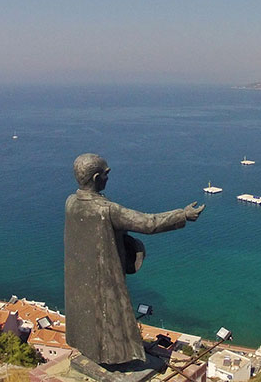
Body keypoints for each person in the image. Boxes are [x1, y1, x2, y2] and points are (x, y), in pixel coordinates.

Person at [64, 153, 204, 365]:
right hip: (104, 278)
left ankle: (93, 352)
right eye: (106, 173)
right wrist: (182, 215)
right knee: (109, 317)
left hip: (81, 277)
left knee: (90, 318)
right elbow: (149, 223)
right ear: (95, 178)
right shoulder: (107, 210)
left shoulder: (71, 202)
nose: (108, 177)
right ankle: (110, 359)